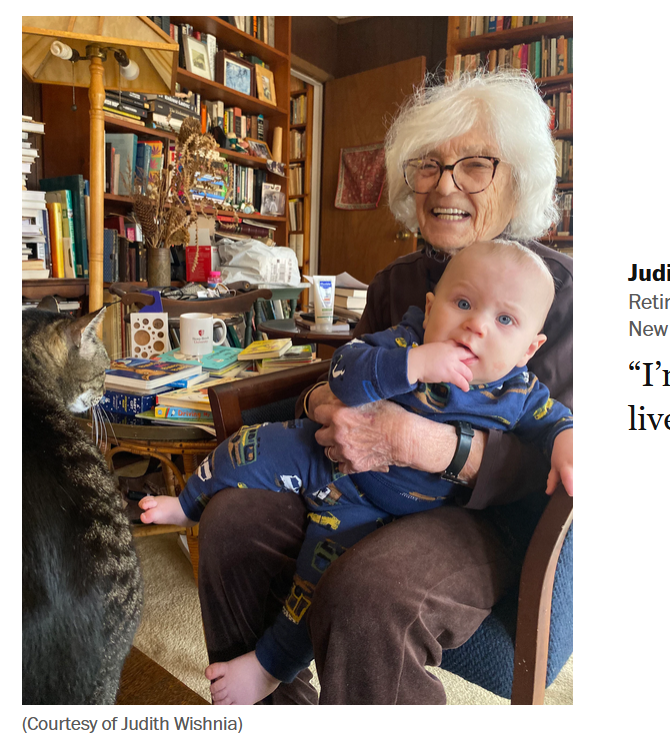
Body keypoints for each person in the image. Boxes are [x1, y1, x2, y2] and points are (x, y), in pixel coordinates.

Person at [191, 68, 573, 704]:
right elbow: (345, 376)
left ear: (520, 179)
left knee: (367, 595)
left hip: (487, 520)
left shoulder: (565, 298)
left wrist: (428, 446)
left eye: (475, 165)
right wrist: (322, 402)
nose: (445, 184)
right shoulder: (400, 280)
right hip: (364, 489)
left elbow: (559, 448)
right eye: (428, 165)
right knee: (233, 519)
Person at [139, 240, 573, 704]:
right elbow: (344, 367)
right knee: (233, 516)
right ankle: (191, 506)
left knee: (352, 590)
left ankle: (272, 663)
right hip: (346, 474)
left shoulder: (527, 376)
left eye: (504, 320)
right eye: (462, 303)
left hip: (474, 510)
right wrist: (363, 384)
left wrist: (566, 440)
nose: (476, 325)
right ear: (430, 308)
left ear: (530, 349)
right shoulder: (405, 315)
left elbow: (556, 426)